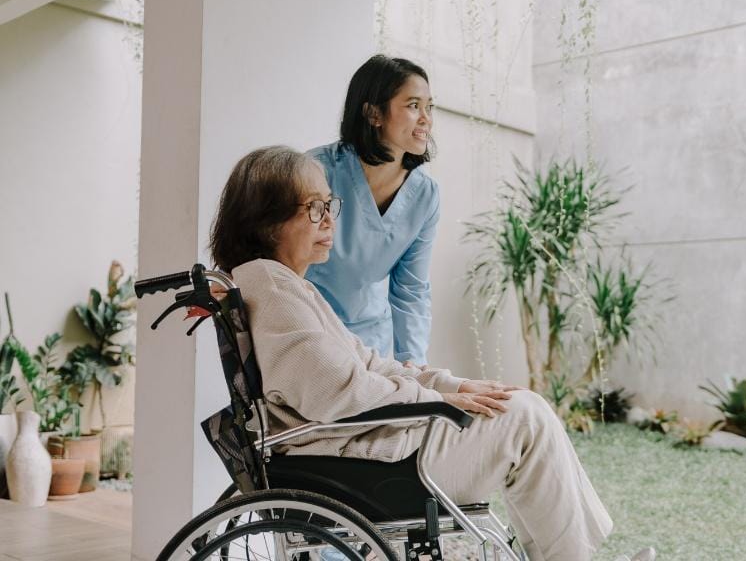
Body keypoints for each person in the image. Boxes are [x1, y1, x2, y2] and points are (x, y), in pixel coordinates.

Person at [208, 145, 656, 561]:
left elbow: (366, 363)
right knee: (527, 418)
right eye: (315, 209)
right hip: (361, 460)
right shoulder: (273, 287)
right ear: (268, 222)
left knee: (521, 408)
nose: (330, 221)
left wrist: (451, 385)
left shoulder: (280, 283)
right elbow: (336, 390)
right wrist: (436, 402)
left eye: (331, 205)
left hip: (361, 446)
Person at [305, 55, 439, 367]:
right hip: (310, 335)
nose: (426, 118)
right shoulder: (316, 171)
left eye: (429, 107)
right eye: (413, 105)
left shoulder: (425, 195)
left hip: (372, 348)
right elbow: (275, 257)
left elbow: (411, 290)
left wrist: (413, 364)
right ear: (373, 113)